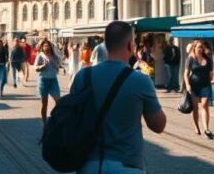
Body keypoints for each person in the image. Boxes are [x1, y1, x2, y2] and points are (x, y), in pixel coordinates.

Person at [70, 21, 166, 174]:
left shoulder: (83, 77)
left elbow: (73, 119)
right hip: (127, 166)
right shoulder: (140, 80)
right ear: (130, 45)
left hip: (89, 165)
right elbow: (158, 125)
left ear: (105, 45)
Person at [184, 39, 214, 139]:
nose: (200, 49)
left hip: (205, 85)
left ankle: (206, 129)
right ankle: (197, 127)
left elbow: (211, 73)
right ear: (194, 48)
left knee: (205, 105)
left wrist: (212, 79)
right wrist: (188, 85)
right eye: (198, 47)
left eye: (202, 47)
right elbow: (185, 74)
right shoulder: (190, 59)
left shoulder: (208, 59)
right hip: (194, 86)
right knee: (195, 108)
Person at [35, 39, 62, 124]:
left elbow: (58, 67)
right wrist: (43, 66)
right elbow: (35, 68)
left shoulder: (54, 56)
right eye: (45, 46)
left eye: (48, 46)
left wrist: (55, 64)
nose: (47, 47)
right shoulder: (40, 56)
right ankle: (44, 123)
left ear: (51, 47)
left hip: (53, 80)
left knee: (58, 101)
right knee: (44, 104)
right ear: (42, 47)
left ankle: (56, 117)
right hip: (43, 81)